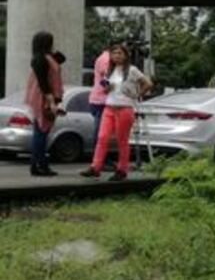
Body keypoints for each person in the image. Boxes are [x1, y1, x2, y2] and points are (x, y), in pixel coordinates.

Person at [81, 42, 153, 182]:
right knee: (102, 137)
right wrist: (107, 87)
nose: (116, 56)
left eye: (120, 53)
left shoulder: (132, 70)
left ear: (126, 55)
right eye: (114, 53)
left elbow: (148, 83)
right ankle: (95, 167)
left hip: (124, 108)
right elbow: (105, 88)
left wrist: (136, 94)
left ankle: (122, 169)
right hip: (109, 107)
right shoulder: (109, 70)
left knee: (122, 140)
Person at [24, 31, 65, 177]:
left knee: (41, 132)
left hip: (45, 97)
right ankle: (40, 165)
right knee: (41, 132)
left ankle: (36, 165)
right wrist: (51, 101)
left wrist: (52, 52)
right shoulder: (40, 59)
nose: (53, 44)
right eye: (51, 41)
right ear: (46, 43)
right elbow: (43, 83)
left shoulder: (48, 57)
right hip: (42, 98)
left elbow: (62, 58)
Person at [88, 47, 112, 139]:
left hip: (99, 98)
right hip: (102, 100)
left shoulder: (103, 57)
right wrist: (109, 87)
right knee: (101, 129)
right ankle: (97, 150)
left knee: (101, 128)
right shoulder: (106, 59)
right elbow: (105, 76)